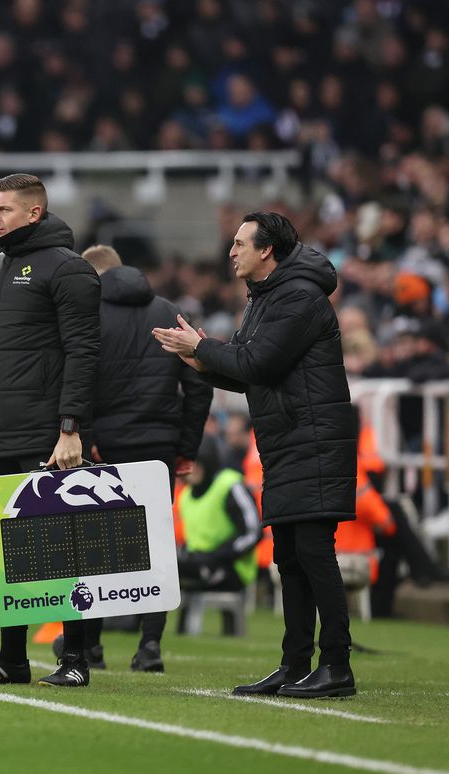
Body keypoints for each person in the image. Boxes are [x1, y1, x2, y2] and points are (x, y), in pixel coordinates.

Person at [153, 211, 357, 698]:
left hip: (312, 441)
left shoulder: (298, 298)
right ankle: (294, 663)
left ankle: (337, 665)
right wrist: (199, 358)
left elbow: (257, 362)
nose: (231, 251)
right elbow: (247, 373)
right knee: (289, 556)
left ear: (267, 250)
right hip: (289, 442)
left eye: (241, 243)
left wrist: (203, 346)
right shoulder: (267, 299)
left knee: (313, 553)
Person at [0, 173, 101, 688]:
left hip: (43, 431)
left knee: (60, 545)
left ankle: (76, 658)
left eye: (5, 210)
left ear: (34, 213)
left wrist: (70, 428)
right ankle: (11, 658)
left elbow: (84, 354)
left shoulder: (69, 269)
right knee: (5, 550)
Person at [71, 244, 213, 673]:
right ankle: (149, 645)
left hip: (104, 448)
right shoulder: (170, 312)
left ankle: (89, 646)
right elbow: (200, 384)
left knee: (94, 547)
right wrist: (185, 448)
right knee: (154, 547)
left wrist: (87, 440)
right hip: (158, 447)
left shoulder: (87, 316)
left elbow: (79, 385)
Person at [174, 434, 261, 635]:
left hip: (232, 567)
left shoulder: (229, 484)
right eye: (187, 463)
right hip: (199, 564)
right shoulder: (186, 496)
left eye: (196, 462)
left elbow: (252, 531)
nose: (191, 469)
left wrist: (218, 556)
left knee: (190, 566)